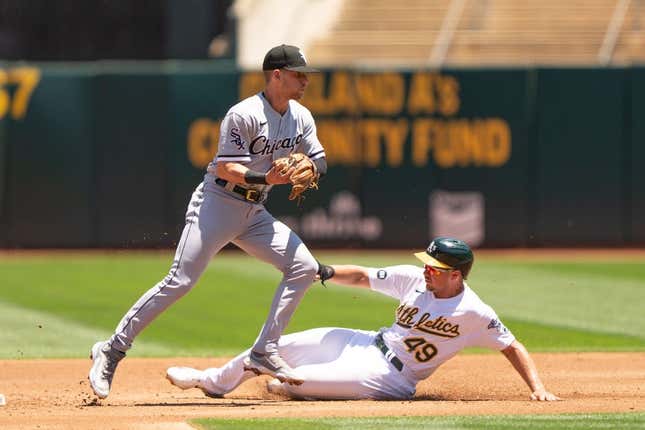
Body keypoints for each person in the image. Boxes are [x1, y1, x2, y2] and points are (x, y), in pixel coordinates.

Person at [89, 44, 327, 399]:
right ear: (276, 75)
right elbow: (225, 167)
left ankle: (264, 350)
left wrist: (312, 167)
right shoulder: (244, 114)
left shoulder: (301, 117)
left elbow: (320, 160)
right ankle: (112, 349)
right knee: (180, 280)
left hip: (254, 212)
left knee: (304, 267)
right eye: (298, 74)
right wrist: (268, 180)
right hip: (218, 202)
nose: (305, 80)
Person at [164, 237, 561, 401]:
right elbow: (363, 275)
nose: (426, 269)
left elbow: (512, 345)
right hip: (364, 341)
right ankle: (211, 381)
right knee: (276, 347)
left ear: (455, 275)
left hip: (393, 378)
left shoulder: (474, 311)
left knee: (292, 382)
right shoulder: (412, 279)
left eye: (435, 267)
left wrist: (537, 388)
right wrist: (324, 270)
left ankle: (295, 387)